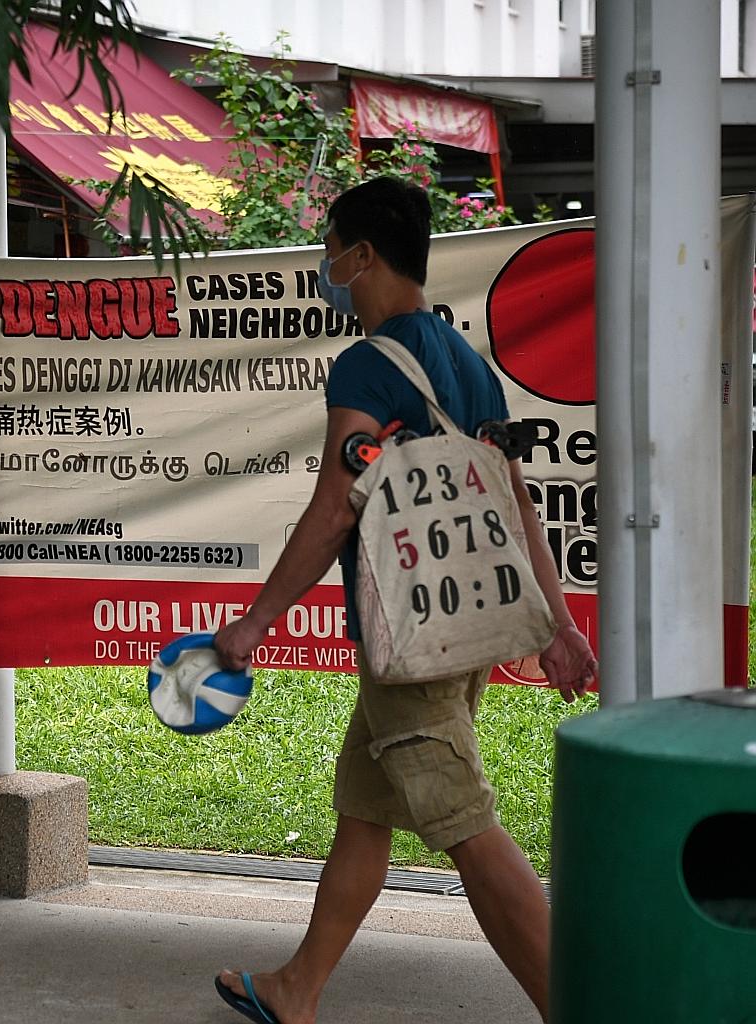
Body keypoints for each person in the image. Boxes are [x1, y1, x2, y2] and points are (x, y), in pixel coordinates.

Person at [211, 177, 598, 1024]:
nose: (325, 266)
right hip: (464, 635)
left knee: (466, 826)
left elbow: (330, 511)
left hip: (409, 639)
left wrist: (256, 622)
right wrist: (560, 626)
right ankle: (296, 989)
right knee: (366, 810)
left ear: (362, 257)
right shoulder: (470, 364)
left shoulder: (367, 365)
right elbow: (516, 505)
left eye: (330, 250)